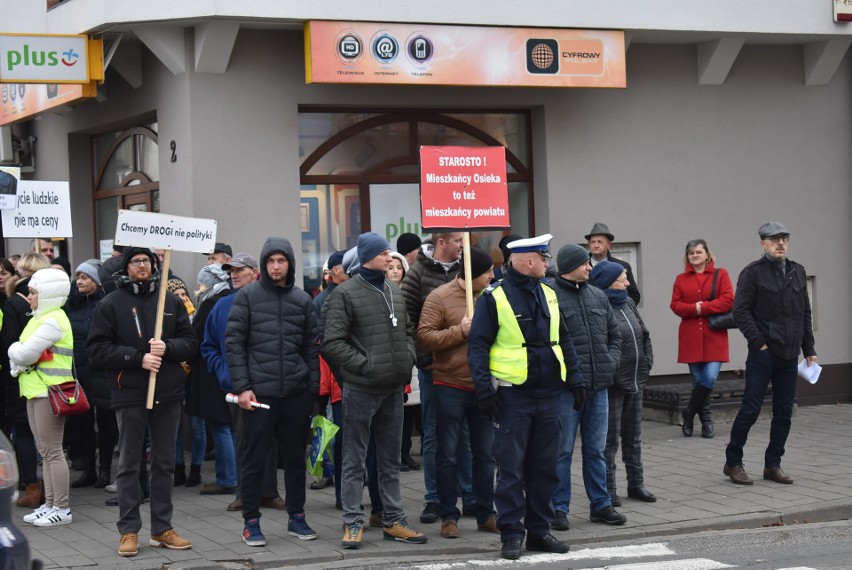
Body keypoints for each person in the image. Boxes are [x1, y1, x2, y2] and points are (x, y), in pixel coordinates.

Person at [467, 234, 582, 560]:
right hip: (511, 396)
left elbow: (564, 340)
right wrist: (485, 391)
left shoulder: (549, 293)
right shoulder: (495, 297)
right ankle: (512, 535)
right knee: (511, 471)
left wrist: (577, 380)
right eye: (543, 258)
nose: (548, 264)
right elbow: (477, 347)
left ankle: (539, 532)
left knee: (545, 468)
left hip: (548, 395)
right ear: (528, 261)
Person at [88, 247, 197, 557]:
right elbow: (97, 351)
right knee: (129, 463)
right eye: (136, 261)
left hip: (168, 393)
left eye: (147, 261)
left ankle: (162, 528)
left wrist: (168, 347)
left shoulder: (172, 301)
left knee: (163, 463)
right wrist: (138, 358)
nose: (142, 266)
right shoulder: (111, 304)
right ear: (127, 266)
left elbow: (191, 344)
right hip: (130, 392)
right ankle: (129, 530)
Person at [322, 232, 427, 550]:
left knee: (390, 458)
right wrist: (364, 365)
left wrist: (407, 356)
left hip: (393, 389)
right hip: (362, 389)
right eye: (383, 252)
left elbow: (408, 329)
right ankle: (352, 522)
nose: (389, 257)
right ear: (367, 257)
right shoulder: (346, 294)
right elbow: (332, 342)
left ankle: (393, 519)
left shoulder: (393, 289)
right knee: (354, 459)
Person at [225, 238, 319, 546]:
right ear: (263, 266)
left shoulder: (302, 299)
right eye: (270, 261)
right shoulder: (247, 297)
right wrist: (242, 388)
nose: (276, 266)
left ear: (290, 264)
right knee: (254, 460)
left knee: (294, 459)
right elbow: (234, 345)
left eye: (281, 261)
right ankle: (251, 521)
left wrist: (311, 388)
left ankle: (297, 517)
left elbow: (310, 346)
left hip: (295, 393)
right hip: (258, 396)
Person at [724, 222, 817, 486]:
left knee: (784, 412)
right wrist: (758, 342)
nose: (780, 243)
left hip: (789, 355)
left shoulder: (798, 272)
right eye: (774, 239)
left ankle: (773, 464)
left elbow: (804, 313)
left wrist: (808, 349)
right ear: (763, 243)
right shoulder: (753, 273)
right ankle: (732, 462)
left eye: (784, 239)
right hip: (763, 354)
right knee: (751, 409)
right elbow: (740, 311)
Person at [417, 247, 499, 539]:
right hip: (450, 384)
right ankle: (448, 516)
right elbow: (424, 338)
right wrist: (460, 331)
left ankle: (486, 513)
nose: (492, 275)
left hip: (484, 386)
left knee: (485, 454)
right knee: (448, 454)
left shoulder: (492, 297)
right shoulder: (438, 297)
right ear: (472, 275)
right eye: (487, 271)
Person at [201, 253, 284, 512]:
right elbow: (209, 346)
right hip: (237, 385)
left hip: (268, 381)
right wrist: (223, 371)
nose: (234, 274)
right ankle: (245, 494)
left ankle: (269, 492)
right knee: (243, 439)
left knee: (269, 439)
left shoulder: (269, 301)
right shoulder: (221, 306)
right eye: (231, 270)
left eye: (240, 269)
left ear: (255, 273)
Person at [551, 243, 625, 530]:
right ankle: (558, 508)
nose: (590, 268)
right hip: (566, 390)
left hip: (599, 387)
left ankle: (601, 505)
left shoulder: (597, 295)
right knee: (562, 451)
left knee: (596, 450)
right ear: (571, 266)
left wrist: (610, 361)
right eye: (585, 263)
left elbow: (614, 335)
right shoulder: (550, 296)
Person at [401, 231, 474, 524]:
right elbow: (408, 320)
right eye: (458, 241)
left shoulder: (466, 270)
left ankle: (469, 496)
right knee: (432, 435)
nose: (463, 246)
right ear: (442, 242)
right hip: (434, 369)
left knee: (466, 435)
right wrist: (424, 360)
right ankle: (433, 499)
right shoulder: (418, 273)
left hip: (465, 369)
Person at [7, 268, 73, 527]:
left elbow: (22, 353)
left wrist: (15, 350)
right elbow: (23, 353)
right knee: (46, 451)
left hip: (50, 392)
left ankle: (62, 508)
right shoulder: (41, 317)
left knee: (52, 451)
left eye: (33, 292)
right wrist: (18, 352)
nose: (29, 297)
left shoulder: (53, 319)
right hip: (36, 390)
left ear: (47, 295)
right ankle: (50, 505)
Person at [591, 261, 656, 506]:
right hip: (613, 383)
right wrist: (612, 371)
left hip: (636, 378)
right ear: (608, 281)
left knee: (634, 436)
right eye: (622, 279)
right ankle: (609, 489)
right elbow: (601, 344)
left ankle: (636, 484)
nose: (627, 283)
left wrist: (647, 362)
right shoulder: (599, 304)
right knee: (609, 440)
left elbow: (644, 333)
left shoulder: (628, 302)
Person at [670, 239, 734, 438]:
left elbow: (728, 300)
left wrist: (701, 308)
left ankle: (689, 413)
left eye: (699, 252)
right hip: (690, 336)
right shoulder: (681, 279)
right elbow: (675, 305)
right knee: (697, 381)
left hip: (715, 336)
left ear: (707, 254)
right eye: (691, 253)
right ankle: (706, 421)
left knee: (710, 377)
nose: (695, 255)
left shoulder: (720, 274)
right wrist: (694, 309)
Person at [1, 252, 51, 508]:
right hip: (52, 374)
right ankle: (52, 492)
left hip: (21, 374)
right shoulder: (53, 299)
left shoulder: (15, 302)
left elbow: (8, 342)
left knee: (21, 430)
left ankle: (32, 486)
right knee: (49, 438)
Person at [66, 262, 116, 490]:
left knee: (106, 423)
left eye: (85, 277)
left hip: (101, 372)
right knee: (82, 423)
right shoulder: (71, 305)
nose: (80, 281)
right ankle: (88, 469)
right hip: (78, 372)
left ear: (96, 281)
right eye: (77, 276)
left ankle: (106, 470)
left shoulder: (105, 304)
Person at [388, 252, 421, 472]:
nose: (395, 271)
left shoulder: (408, 295)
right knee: (393, 413)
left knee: (410, 409)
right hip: (390, 360)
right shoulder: (383, 294)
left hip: (411, 360)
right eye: (391, 267)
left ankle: (405, 452)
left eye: (399, 267)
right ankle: (395, 454)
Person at [584, 222, 641, 305]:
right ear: (588, 244)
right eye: (593, 242)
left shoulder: (622, 266)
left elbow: (634, 296)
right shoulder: (582, 267)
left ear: (609, 245)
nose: (596, 245)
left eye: (600, 242)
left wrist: (620, 310)